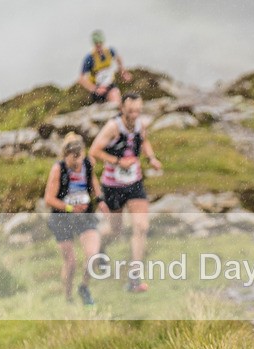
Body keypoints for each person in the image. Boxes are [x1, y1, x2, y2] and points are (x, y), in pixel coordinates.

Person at [88, 92, 162, 292]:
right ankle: (101, 248)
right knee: (115, 230)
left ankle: (134, 279)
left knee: (141, 227)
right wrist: (118, 161)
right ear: (122, 109)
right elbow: (93, 151)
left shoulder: (140, 124)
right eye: (130, 111)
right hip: (113, 185)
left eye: (138, 110)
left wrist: (151, 158)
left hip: (134, 183)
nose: (135, 114)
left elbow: (144, 141)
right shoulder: (113, 127)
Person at [44, 132, 109, 305]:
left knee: (92, 255)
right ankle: (68, 297)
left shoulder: (87, 164)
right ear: (66, 156)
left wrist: (100, 200)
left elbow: (94, 182)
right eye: (74, 160)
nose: (77, 163)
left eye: (80, 158)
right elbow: (49, 199)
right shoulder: (58, 169)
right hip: (62, 218)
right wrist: (70, 208)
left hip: (85, 216)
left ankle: (84, 287)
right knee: (71, 263)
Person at [78, 30, 132, 105]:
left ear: (103, 42)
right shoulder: (89, 58)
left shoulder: (110, 51)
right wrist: (95, 89)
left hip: (110, 85)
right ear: (94, 44)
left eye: (101, 44)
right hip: (98, 89)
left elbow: (119, 59)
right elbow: (81, 79)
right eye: (97, 44)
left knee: (116, 98)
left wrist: (123, 72)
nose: (99, 46)